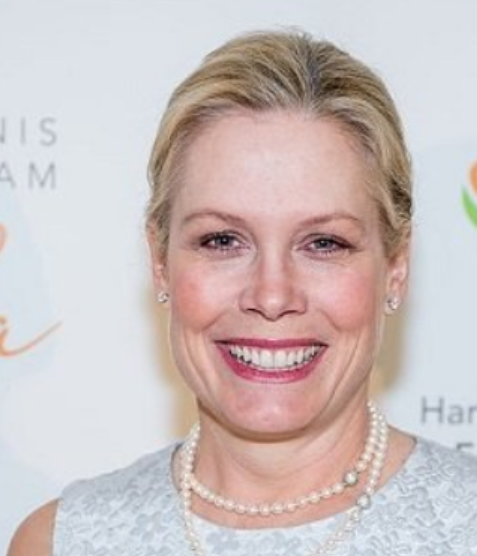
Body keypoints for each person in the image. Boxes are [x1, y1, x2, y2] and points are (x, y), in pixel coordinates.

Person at [8, 29, 477, 556]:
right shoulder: (61, 541)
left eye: (323, 243)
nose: (272, 296)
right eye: (222, 240)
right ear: (159, 261)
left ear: (395, 266)